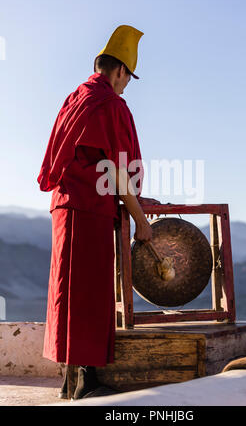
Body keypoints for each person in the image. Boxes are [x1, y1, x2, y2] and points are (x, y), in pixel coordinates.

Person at [37, 25, 159, 399]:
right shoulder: (109, 104)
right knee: (88, 292)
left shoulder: (76, 98)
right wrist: (140, 220)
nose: (126, 87)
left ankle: (68, 380)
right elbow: (118, 170)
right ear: (120, 70)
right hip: (88, 207)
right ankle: (87, 382)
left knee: (66, 290)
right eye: (128, 79)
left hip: (64, 206)